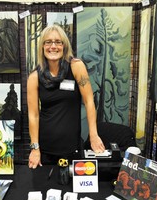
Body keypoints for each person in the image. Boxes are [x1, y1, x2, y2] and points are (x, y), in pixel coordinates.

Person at [27, 25, 105, 169]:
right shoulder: (34, 77)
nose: (53, 46)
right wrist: (35, 148)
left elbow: (89, 101)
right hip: (45, 151)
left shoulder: (76, 67)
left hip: (72, 149)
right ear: (42, 46)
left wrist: (93, 135)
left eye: (58, 42)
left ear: (64, 45)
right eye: (48, 42)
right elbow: (33, 115)